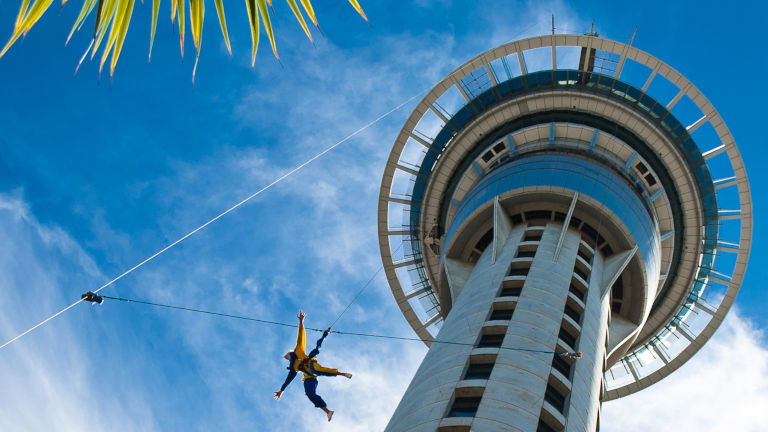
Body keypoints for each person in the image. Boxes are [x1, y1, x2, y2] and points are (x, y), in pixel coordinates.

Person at [274, 311, 352, 422]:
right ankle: (328, 411)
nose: (286, 358)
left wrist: (301, 322)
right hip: (309, 377)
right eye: (286, 358)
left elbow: (300, 336)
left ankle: (343, 374)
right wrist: (281, 390)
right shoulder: (293, 367)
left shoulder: (298, 350)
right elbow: (288, 379)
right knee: (309, 393)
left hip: (312, 365)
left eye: (286, 356)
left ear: (290, 353)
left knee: (317, 368)